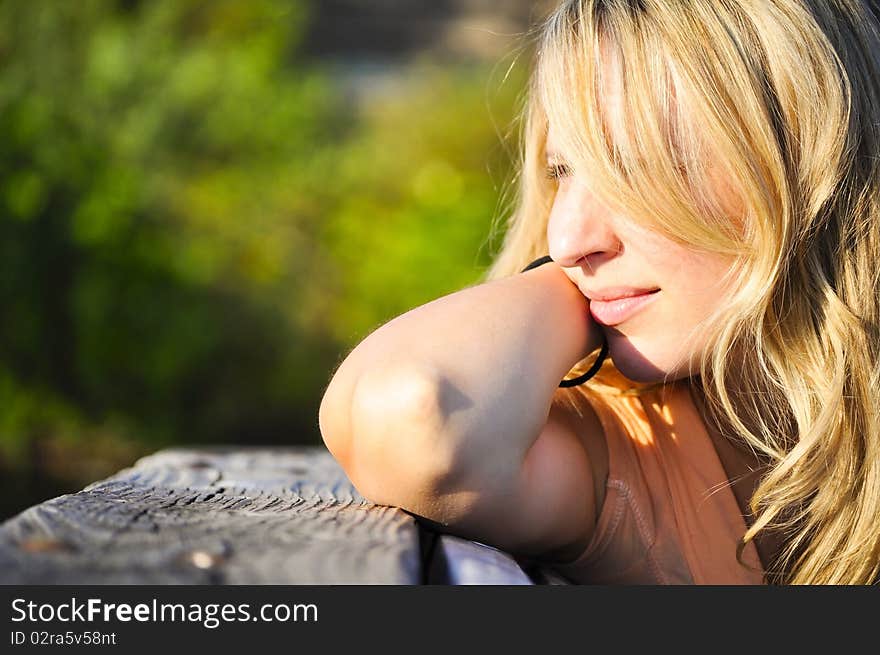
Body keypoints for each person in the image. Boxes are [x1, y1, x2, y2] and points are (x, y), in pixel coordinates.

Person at [318, 0, 880, 585]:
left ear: (809, 167)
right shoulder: (633, 452)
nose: (567, 240)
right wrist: (563, 293)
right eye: (562, 171)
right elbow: (413, 415)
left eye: (634, 169)